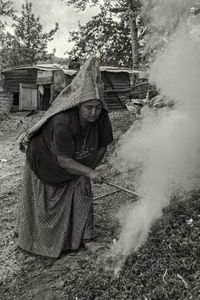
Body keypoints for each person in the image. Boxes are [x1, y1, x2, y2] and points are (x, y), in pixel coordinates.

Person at [16, 56, 113, 258]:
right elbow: (63, 161)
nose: (94, 112)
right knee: (49, 205)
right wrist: (89, 171)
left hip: (73, 158)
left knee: (82, 189)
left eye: (97, 107)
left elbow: (102, 145)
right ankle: (38, 240)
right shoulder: (63, 122)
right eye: (88, 108)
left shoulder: (102, 116)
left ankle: (86, 239)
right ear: (78, 105)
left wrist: (87, 170)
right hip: (45, 159)